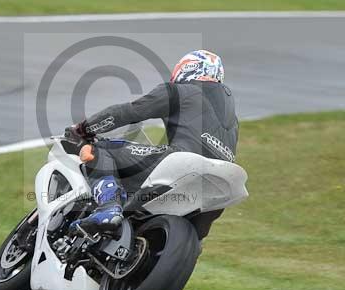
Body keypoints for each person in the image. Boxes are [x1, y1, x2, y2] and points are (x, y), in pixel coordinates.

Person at [65, 50, 238, 236]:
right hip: (220, 184)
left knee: (99, 149)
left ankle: (108, 207)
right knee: (194, 243)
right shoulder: (234, 121)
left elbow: (129, 112)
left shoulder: (181, 91)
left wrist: (83, 129)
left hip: (183, 163)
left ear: (187, 69)